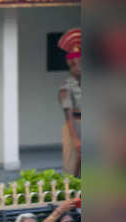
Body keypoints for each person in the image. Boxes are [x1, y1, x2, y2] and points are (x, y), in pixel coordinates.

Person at [57, 28, 82, 177]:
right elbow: (68, 114)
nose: (78, 67)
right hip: (75, 126)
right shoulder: (66, 87)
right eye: (75, 64)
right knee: (72, 167)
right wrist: (76, 139)